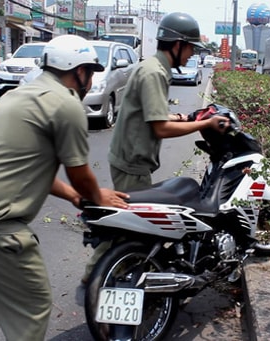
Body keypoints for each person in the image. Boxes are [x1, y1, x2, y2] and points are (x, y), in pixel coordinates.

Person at [0, 35, 129, 341]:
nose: (91, 81)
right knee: (33, 304)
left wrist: (75, 197)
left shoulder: (21, 94)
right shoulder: (66, 105)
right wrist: (96, 196)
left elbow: (29, 168)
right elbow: (79, 174)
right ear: (78, 71)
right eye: (90, 72)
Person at [81, 12, 229, 283]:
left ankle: (99, 277)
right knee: (131, 228)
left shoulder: (151, 66)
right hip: (132, 160)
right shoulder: (155, 72)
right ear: (176, 44)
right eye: (189, 48)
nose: (190, 55)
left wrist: (184, 118)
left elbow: (149, 113)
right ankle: (102, 281)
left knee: (126, 223)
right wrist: (204, 126)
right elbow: (159, 128)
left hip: (128, 155)